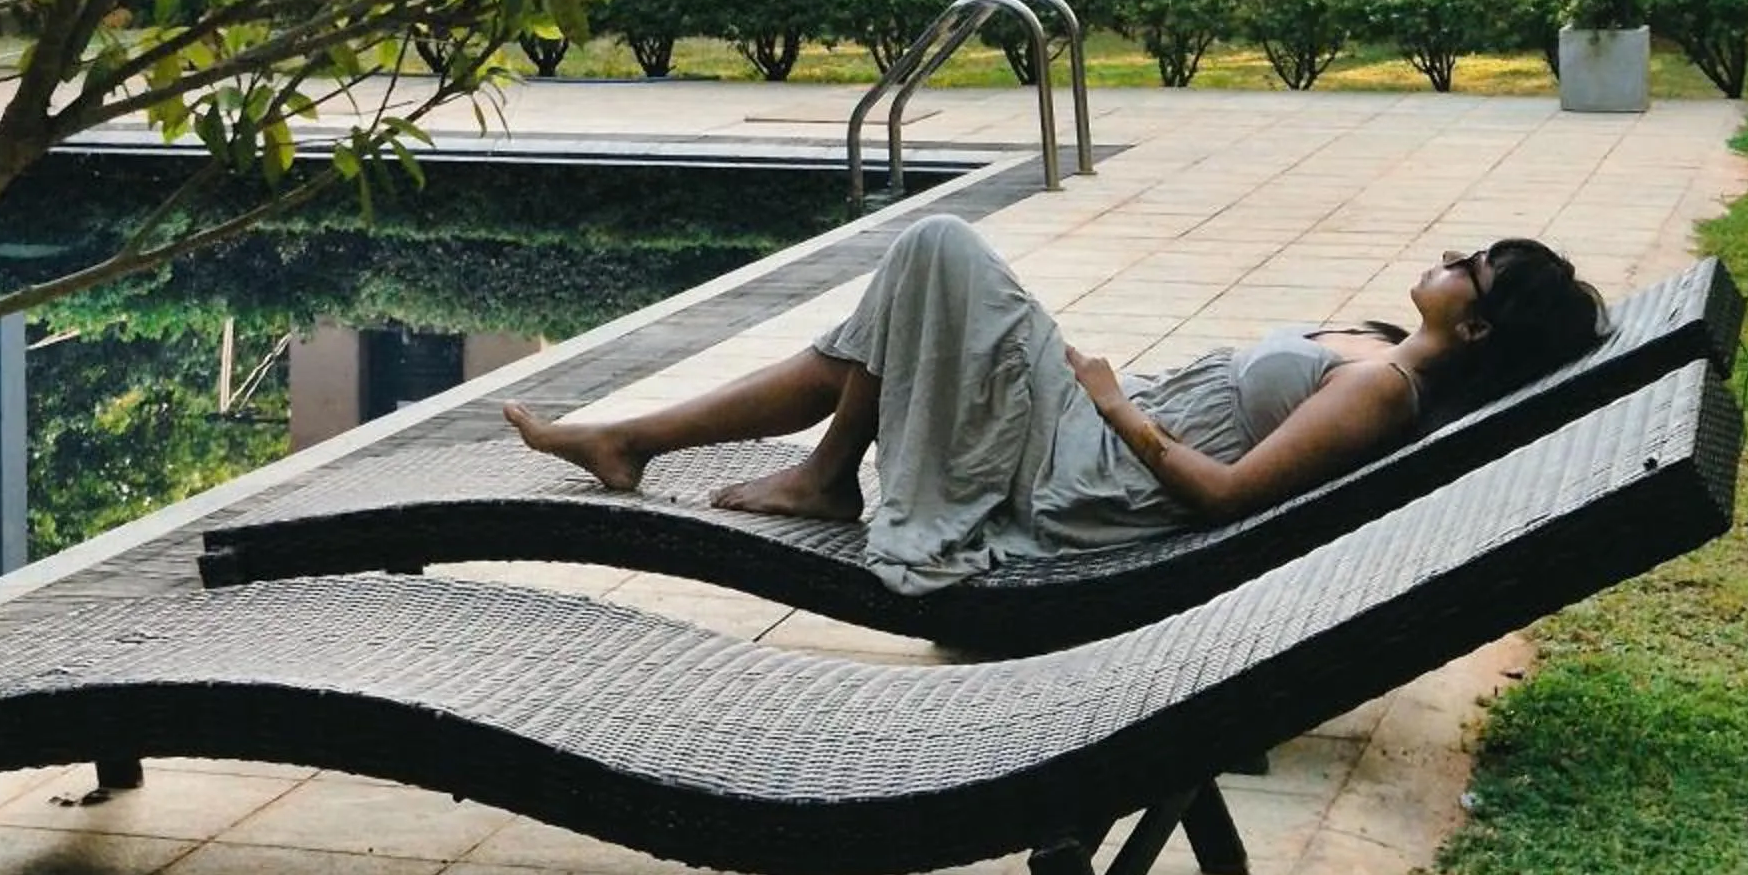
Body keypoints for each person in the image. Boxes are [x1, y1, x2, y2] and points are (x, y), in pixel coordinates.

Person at [503, 217, 1606, 595]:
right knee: (923, 302)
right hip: (1095, 438)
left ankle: (795, 468)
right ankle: (672, 446)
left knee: (937, 253)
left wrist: (1118, 406)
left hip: (1095, 479)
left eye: (1474, 268)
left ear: (1474, 331)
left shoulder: (1382, 390)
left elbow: (1224, 498)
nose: (1454, 257)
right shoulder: (1374, 343)